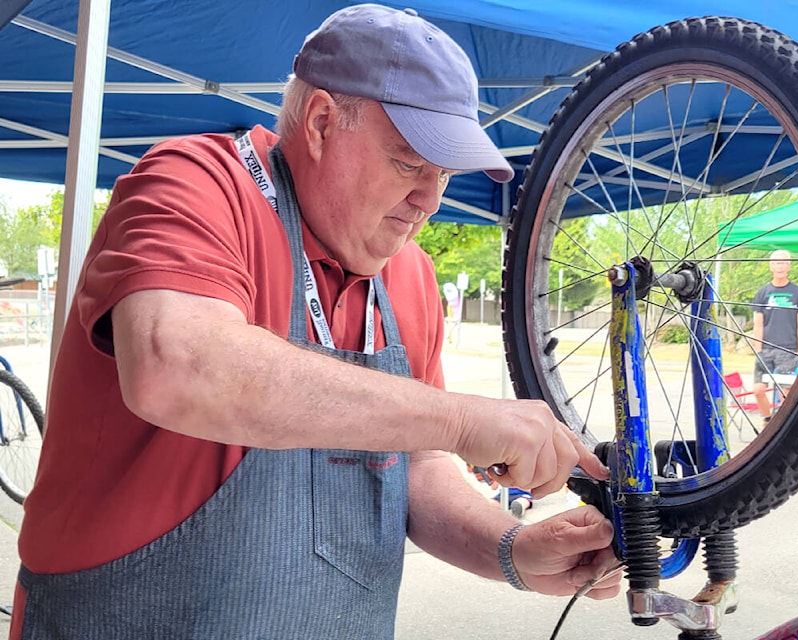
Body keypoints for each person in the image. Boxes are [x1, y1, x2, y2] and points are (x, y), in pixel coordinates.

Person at [12, 6, 620, 639]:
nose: (430, 200)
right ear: (324, 122)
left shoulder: (409, 275)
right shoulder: (195, 184)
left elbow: (416, 466)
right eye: (411, 163)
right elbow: (179, 365)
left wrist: (512, 549)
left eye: (444, 174)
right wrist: (463, 418)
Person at [750, 250, 798, 421]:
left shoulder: (797, 292)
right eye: (776, 262)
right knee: (758, 389)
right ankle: (768, 420)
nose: (780, 265)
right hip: (766, 349)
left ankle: (784, 424)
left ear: (789, 266)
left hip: (789, 348)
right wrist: (758, 348)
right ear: (771, 266)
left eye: (784, 262)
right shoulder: (762, 292)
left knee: (786, 392)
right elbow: (758, 324)